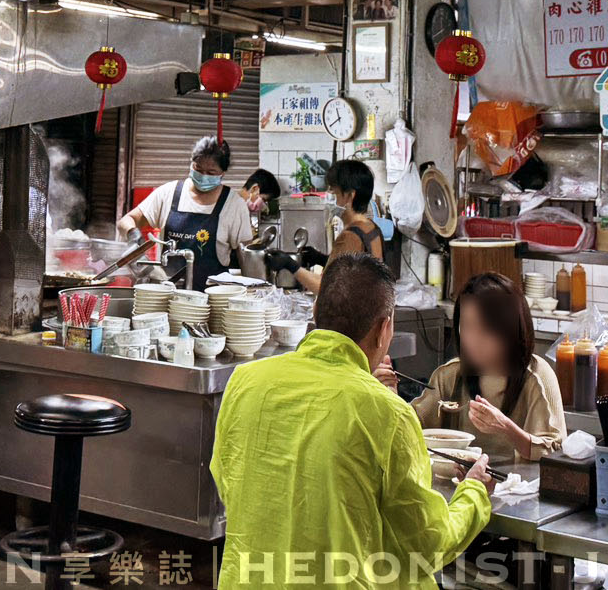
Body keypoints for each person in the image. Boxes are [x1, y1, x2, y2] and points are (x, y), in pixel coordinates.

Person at [211, 254, 493, 588]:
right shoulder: (387, 412)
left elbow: (228, 480)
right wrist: (474, 493)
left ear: (315, 313)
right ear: (384, 328)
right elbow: (428, 543)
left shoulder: (247, 381)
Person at [379, 272, 566, 462]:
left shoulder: (536, 375)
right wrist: (390, 395)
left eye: (485, 329)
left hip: (519, 487)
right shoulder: (450, 376)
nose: (473, 340)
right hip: (460, 484)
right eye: (466, 326)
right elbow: (412, 429)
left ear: (510, 329)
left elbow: (555, 453)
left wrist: (506, 428)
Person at [116, 136, 254, 291]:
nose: (203, 176)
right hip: (166, 294)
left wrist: (252, 291)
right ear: (191, 163)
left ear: (222, 172)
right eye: (198, 169)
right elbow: (125, 221)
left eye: (211, 172)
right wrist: (133, 235)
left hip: (212, 301)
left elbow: (247, 257)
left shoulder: (234, 205)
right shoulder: (168, 193)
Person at [266, 159, 381, 294]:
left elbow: (325, 288)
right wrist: (322, 259)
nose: (328, 196)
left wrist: (290, 265)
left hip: (351, 312)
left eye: (333, 190)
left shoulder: (350, 236)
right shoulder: (371, 227)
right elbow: (354, 269)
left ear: (350, 195)